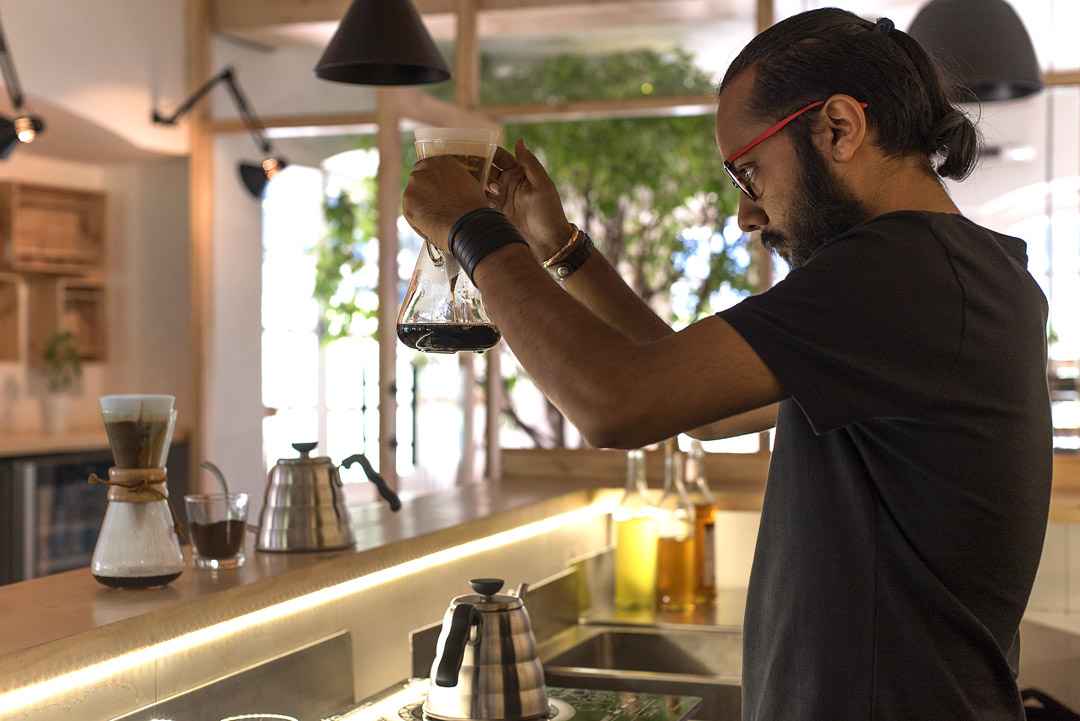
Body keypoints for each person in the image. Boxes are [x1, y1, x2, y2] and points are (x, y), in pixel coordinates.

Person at [402, 8, 1052, 720]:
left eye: (750, 172)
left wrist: (474, 229)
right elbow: (699, 405)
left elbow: (615, 401)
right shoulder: (949, 271)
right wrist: (558, 246)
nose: (748, 213)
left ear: (838, 127)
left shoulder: (897, 271)